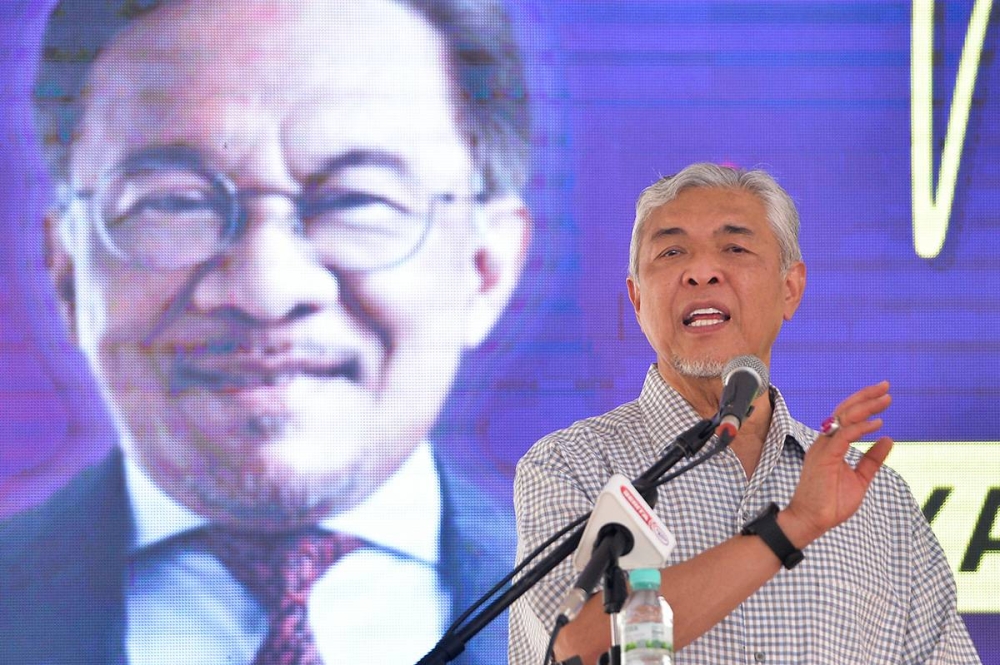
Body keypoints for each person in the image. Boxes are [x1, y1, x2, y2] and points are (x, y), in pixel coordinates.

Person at [0, 1, 532, 663]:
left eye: (355, 200)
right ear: (68, 270)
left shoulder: (645, 616)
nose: (265, 290)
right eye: (174, 202)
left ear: (486, 268)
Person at [509, 163, 981, 665]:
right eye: (671, 252)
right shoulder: (571, 465)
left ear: (790, 289)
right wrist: (791, 527)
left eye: (734, 248)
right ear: (637, 299)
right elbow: (576, 643)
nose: (701, 271)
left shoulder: (879, 503)